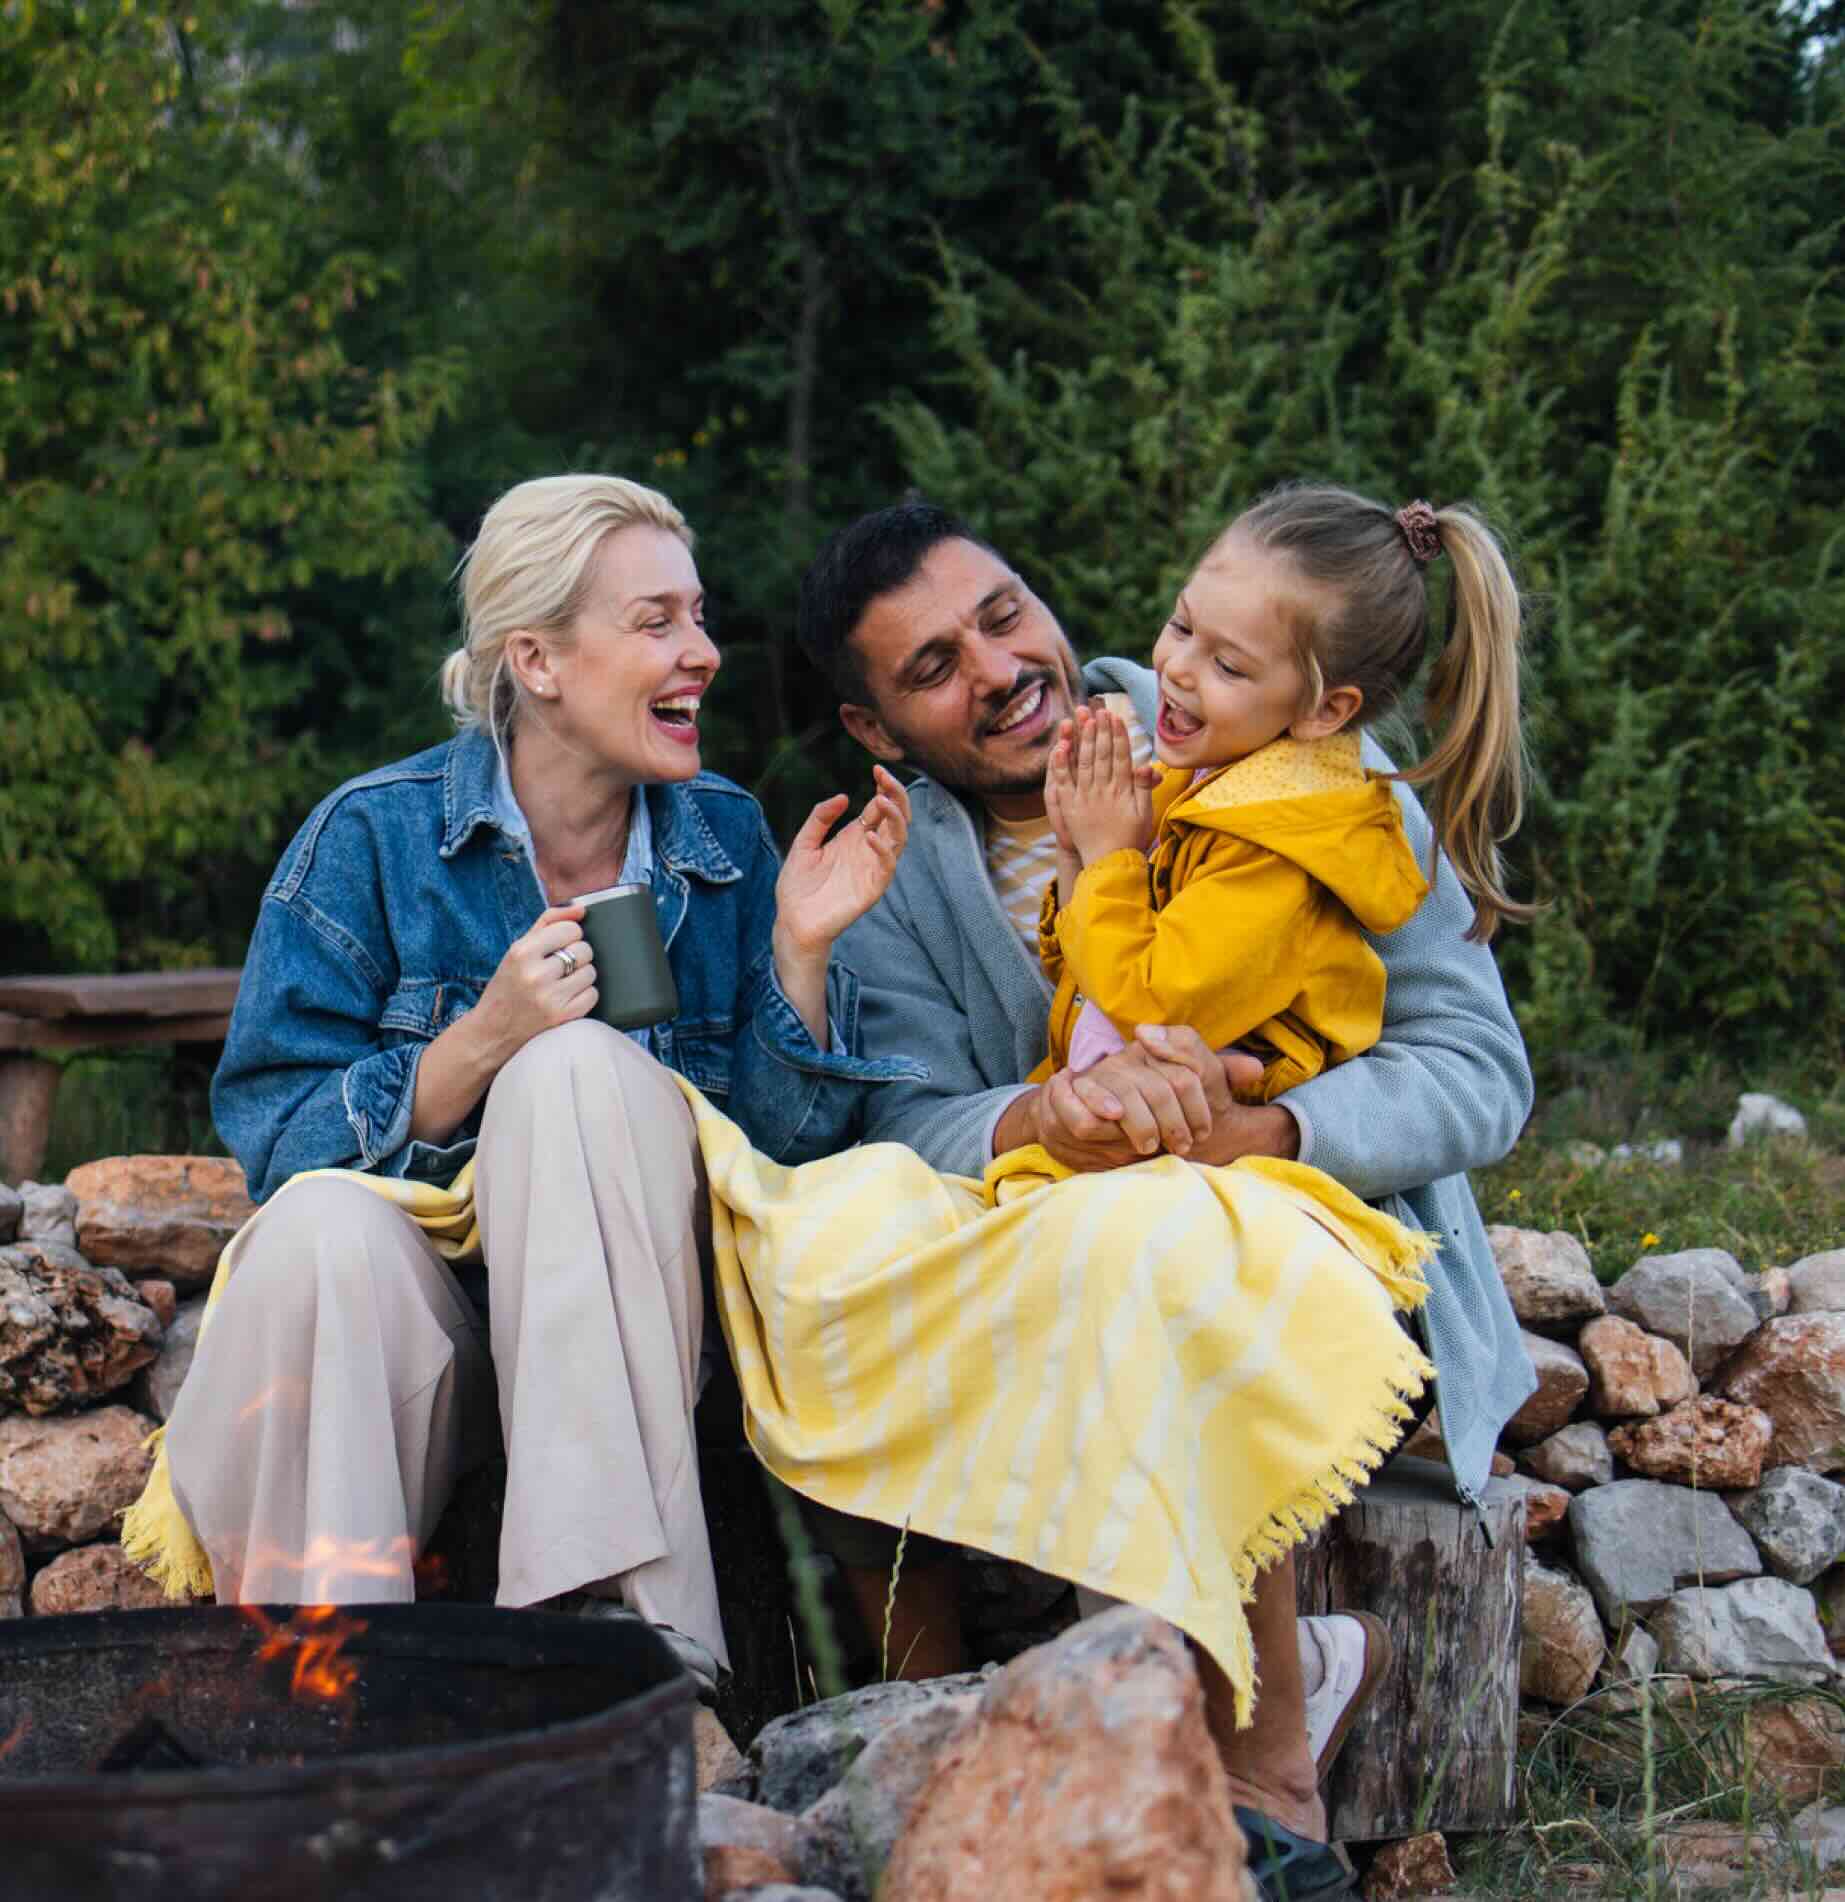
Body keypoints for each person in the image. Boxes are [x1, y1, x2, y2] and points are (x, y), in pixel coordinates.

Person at [794, 496, 1537, 1899]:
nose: (1002, 665)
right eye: (935, 666)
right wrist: (1038, 1114)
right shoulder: (891, 875)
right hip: (1057, 1251)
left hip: (1285, 1257)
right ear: (880, 730)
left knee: (1151, 1240)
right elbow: (894, 1117)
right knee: (911, 1248)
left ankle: (1257, 1783)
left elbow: (1480, 1072)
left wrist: (1269, 1125)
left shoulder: (1286, 756)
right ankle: (1006, 1751)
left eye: (1002, 612)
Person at [126, 474, 919, 1697]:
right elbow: (277, 1147)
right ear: (537, 659)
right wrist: (479, 1040)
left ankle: (616, 1648)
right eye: (656, 621)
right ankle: (328, 1698)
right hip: (424, 1344)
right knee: (322, 1233)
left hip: (655, 1335)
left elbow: (784, 1159)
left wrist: (801, 958)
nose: (702, 652)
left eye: (697, 616)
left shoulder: (725, 843)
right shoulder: (370, 842)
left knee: (576, 1075)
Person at [1039, 486, 1530, 1100]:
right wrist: (1074, 856)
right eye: (1182, 625)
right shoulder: (1198, 787)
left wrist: (1110, 859)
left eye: (1230, 667)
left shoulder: (1277, 851)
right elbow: (1091, 980)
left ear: (1325, 710)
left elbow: (1148, 1004)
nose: (1178, 667)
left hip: (1206, 1170)